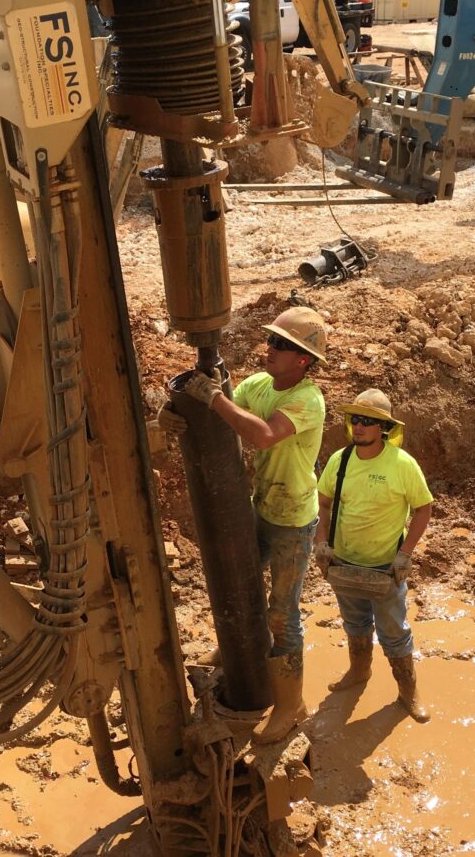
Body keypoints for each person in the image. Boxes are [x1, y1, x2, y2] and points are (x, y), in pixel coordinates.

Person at [160, 307, 327, 744]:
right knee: (243, 580)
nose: (269, 349)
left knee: (282, 613)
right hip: (265, 505)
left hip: (293, 519)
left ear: (303, 360)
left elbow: (262, 435)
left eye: (281, 345)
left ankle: (291, 705)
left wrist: (213, 397)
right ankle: (235, 652)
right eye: (271, 341)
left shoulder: (307, 400)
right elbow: (224, 404)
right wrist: (169, 409)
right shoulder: (261, 385)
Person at [314, 388, 433, 723]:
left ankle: (409, 692)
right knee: (354, 622)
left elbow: (423, 509)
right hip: (344, 563)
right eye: (355, 419)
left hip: (385, 568)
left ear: (384, 428)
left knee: (394, 632)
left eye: (368, 421)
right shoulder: (340, 461)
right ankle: (359, 671)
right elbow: (323, 503)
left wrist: (405, 554)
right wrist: (321, 542)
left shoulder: (402, 465)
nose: (360, 426)